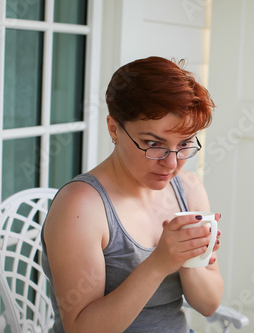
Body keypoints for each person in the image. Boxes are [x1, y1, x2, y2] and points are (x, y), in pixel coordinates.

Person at [41, 56, 223, 333]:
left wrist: (187, 259)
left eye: (184, 144)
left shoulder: (189, 189)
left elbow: (208, 305)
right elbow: (81, 329)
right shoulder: (81, 206)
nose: (172, 164)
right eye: (153, 144)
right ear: (114, 129)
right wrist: (159, 264)